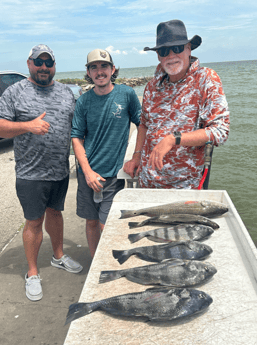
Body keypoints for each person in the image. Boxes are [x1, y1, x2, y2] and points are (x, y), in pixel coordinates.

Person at [0, 44, 83, 302]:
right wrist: (28, 125)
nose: (44, 67)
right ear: (29, 63)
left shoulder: (66, 92)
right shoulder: (15, 92)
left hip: (59, 170)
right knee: (34, 221)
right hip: (30, 173)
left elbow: (78, 125)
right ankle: (32, 272)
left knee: (56, 213)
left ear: (54, 66)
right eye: (39, 62)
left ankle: (58, 256)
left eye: (49, 63)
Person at [124, 20, 230, 189]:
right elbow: (143, 124)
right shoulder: (151, 86)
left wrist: (174, 139)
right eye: (165, 51)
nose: (171, 55)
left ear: (189, 49)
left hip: (185, 187)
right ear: (158, 55)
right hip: (147, 182)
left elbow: (220, 131)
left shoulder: (206, 80)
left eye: (178, 48)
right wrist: (136, 156)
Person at [71, 49, 141, 257]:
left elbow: (143, 125)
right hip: (88, 174)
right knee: (91, 223)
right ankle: (95, 262)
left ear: (113, 69)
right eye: (94, 67)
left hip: (113, 176)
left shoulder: (126, 94)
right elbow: (76, 137)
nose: (99, 71)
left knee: (107, 225)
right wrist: (87, 172)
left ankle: (111, 263)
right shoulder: (83, 101)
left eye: (104, 66)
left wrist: (137, 156)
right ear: (88, 72)